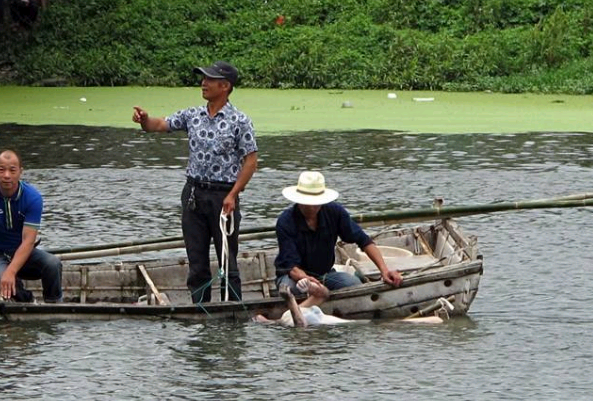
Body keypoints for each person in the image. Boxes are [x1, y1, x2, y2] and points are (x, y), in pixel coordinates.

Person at [132, 62, 258, 303]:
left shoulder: (240, 121)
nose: (204, 83)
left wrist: (232, 195)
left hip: (224, 196)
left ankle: (231, 310)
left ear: (225, 86)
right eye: (203, 78)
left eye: (209, 80)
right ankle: (200, 309)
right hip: (193, 195)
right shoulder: (193, 115)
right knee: (197, 260)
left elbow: (250, 162)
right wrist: (144, 120)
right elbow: (159, 125)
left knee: (226, 259)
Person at [273, 171, 402, 302]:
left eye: (316, 203)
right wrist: (306, 280)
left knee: (354, 285)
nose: (312, 207)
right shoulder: (286, 222)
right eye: (307, 203)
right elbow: (291, 267)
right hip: (293, 277)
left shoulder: (334, 212)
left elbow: (364, 240)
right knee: (292, 290)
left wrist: (384, 270)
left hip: (325, 274)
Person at [0, 149, 63, 304]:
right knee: (6, 282)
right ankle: (28, 302)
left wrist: (12, 270)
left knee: (53, 264)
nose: (6, 175)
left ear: (20, 172)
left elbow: (28, 240)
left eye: (12, 170)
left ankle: (54, 305)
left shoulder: (32, 197)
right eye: (2, 170)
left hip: (22, 252)